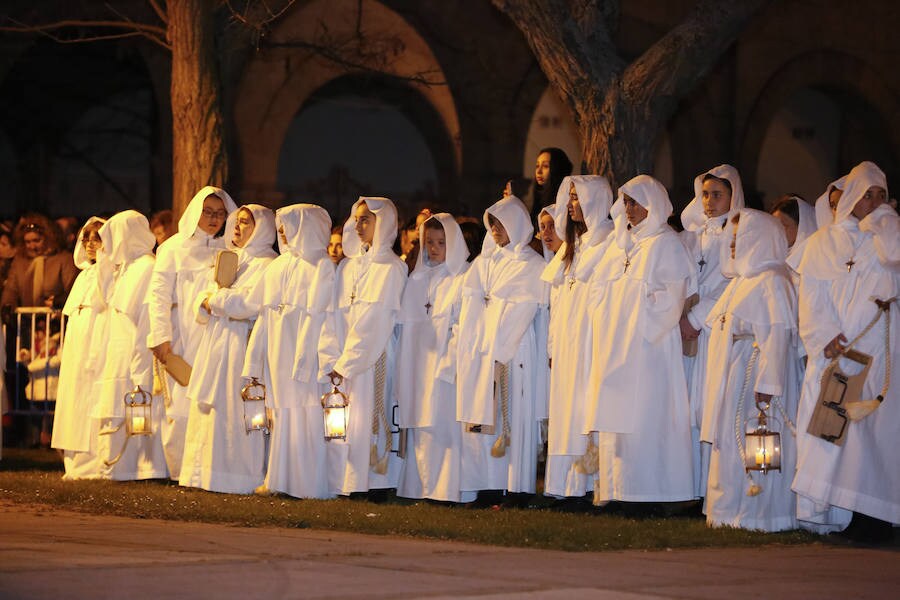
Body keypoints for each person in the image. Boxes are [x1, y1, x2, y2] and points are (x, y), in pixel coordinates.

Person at [792, 161, 899, 542]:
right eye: (866, 194)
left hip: (882, 349)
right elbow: (811, 298)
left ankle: (875, 517)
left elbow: (895, 259)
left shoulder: (886, 234)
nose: (872, 202)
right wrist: (824, 334)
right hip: (838, 351)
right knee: (833, 433)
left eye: (880, 195)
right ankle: (830, 513)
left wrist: (886, 222)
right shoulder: (823, 242)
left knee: (874, 435)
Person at [586, 175, 696, 506]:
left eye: (636, 202)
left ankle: (654, 492)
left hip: (649, 348)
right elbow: (598, 292)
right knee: (618, 420)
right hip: (615, 345)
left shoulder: (665, 243)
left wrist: (631, 309)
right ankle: (618, 490)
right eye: (627, 203)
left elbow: (672, 298)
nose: (629, 210)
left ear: (654, 204)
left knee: (649, 418)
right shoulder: (623, 245)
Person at [701, 209, 799, 531]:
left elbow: (777, 333)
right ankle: (729, 512)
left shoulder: (773, 278)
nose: (731, 246)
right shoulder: (744, 280)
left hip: (755, 371)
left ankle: (759, 514)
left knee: (758, 442)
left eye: (737, 239)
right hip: (737, 367)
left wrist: (768, 382)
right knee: (732, 442)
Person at [179, 205, 276, 494]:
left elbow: (249, 304)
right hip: (218, 343)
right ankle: (203, 474)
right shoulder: (233, 259)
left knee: (236, 410)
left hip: (241, 345)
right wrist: (212, 300)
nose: (237, 227)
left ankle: (238, 478)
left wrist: (217, 301)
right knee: (212, 408)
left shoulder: (267, 264)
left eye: (246, 223)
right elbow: (207, 295)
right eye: (237, 221)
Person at [456, 195, 545, 506]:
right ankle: (486, 485)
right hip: (481, 352)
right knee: (481, 422)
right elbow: (468, 305)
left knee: (512, 417)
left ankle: (515, 488)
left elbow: (524, 309)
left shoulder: (531, 265)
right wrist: (471, 345)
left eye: (501, 223)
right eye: (491, 223)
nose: (495, 229)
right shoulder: (483, 263)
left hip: (513, 352)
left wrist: (500, 349)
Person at [242, 204, 335, 499]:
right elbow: (265, 316)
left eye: (288, 227)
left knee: (306, 415)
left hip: (302, 352)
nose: (283, 233)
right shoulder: (278, 266)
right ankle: (279, 479)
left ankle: (309, 485)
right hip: (278, 353)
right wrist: (253, 363)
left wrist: (306, 360)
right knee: (281, 416)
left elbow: (317, 315)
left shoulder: (321, 266)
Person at [147, 186, 237, 478]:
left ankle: (208, 469)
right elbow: (158, 295)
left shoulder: (231, 249)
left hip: (218, 337)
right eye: (207, 212)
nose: (213, 219)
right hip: (183, 336)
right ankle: (179, 470)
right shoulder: (173, 248)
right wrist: (160, 337)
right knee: (180, 404)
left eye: (220, 213)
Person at [321, 197, 408, 497]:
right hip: (345, 360)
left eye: (366, 220)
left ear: (382, 223)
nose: (358, 225)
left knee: (373, 416)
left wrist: (347, 361)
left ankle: (377, 483)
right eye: (356, 219)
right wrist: (332, 356)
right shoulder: (347, 267)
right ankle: (347, 482)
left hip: (374, 357)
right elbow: (334, 314)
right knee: (347, 424)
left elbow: (375, 320)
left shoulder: (392, 268)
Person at [541, 175, 614, 504]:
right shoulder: (573, 247)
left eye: (576, 198)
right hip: (568, 343)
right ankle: (566, 486)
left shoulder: (609, 243)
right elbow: (557, 302)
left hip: (590, 341)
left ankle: (592, 484)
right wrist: (553, 346)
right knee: (566, 409)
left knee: (587, 408)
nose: (570, 205)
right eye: (568, 198)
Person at [679, 165, 745, 499]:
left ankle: (709, 488)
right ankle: (688, 486)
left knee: (709, 405)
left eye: (717, 195)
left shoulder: (739, 235)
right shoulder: (694, 235)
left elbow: (732, 282)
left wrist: (698, 317)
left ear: (733, 196)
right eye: (705, 194)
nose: (709, 201)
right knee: (687, 406)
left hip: (713, 328)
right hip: (687, 329)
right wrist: (681, 314)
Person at [395, 213, 470, 503]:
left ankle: (443, 489)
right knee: (419, 422)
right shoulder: (416, 278)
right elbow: (407, 325)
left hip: (443, 364)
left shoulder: (460, 277)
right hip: (417, 364)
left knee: (441, 425)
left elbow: (460, 325)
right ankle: (417, 487)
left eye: (441, 242)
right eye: (430, 242)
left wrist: (448, 364)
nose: (435, 248)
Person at [90, 211, 168, 480]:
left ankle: (138, 468)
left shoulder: (146, 267)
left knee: (137, 403)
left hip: (135, 349)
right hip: (119, 348)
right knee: (116, 403)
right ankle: (116, 467)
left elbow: (145, 318)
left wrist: (139, 361)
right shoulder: (127, 268)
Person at [51, 217, 106, 479]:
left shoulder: (111, 273)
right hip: (77, 347)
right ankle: (74, 463)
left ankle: (94, 462)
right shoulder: (84, 276)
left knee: (91, 399)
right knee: (74, 400)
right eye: (87, 238)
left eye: (97, 238)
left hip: (97, 346)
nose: (91, 243)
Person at [771, 194, 816, 272]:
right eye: (774, 227)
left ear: (802, 226)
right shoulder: (773, 258)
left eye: (782, 226)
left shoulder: (815, 261)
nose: (776, 232)